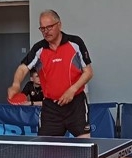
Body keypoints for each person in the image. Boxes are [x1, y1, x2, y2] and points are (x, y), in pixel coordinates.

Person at [7, 9, 93, 137]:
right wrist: (15, 84)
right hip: (51, 108)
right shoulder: (39, 49)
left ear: (59, 24)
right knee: (46, 147)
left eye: (49, 27)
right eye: (42, 29)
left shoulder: (75, 43)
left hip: (76, 105)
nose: (46, 31)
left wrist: (72, 90)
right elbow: (23, 68)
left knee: (85, 146)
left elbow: (88, 72)